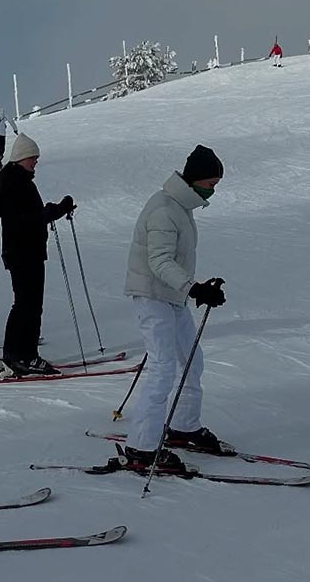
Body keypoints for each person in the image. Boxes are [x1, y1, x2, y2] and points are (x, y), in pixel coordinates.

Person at [121, 145, 229, 471]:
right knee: (163, 369)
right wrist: (193, 287)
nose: (213, 189)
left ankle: (183, 427)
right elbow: (158, 261)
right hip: (152, 297)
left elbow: (173, 261)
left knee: (191, 361)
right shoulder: (164, 210)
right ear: (195, 180)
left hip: (172, 297)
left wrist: (195, 287)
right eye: (211, 183)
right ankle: (141, 447)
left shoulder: (180, 207)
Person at [0, 133, 75, 375]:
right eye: (33, 158)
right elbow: (22, 219)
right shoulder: (15, 181)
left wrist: (51, 211)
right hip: (23, 251)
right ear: (21, 157)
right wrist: (52, 212)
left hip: (24, 251)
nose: (35, 162)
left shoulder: (17, 179)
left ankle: (14, 353)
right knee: (29, 305)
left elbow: (28, 215)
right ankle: (25, 355)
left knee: (25, 303)